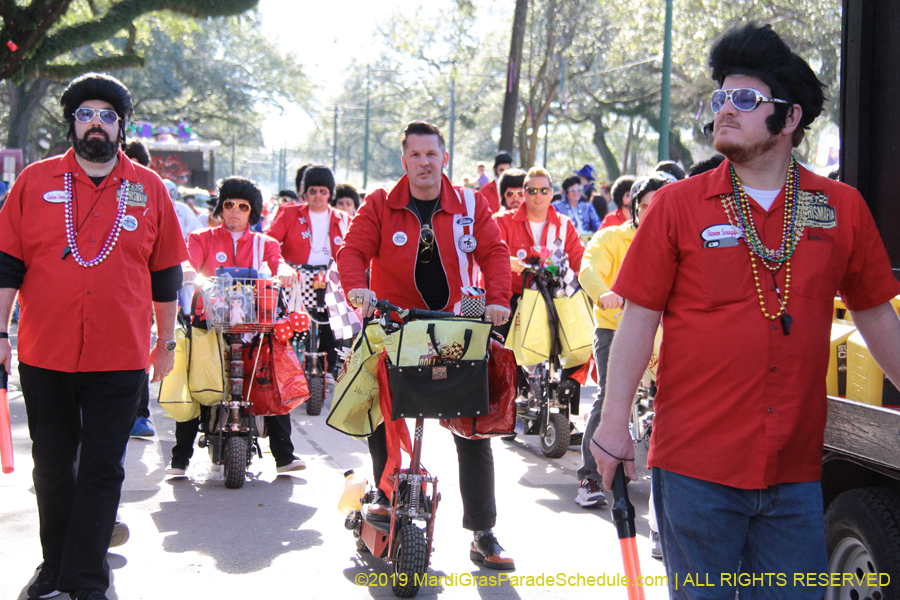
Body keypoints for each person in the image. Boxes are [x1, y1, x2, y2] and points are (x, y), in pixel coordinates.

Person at [592, 24, 900, 600]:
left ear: (789, 120)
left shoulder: (841, 209)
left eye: (745, 99)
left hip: (796, 472)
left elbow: (877, 314)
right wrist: (612, 426)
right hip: (695, 469)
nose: (723, 111)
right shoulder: (678, 207)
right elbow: (638, 318)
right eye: (720, 98)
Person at [0, 72, 188, 600]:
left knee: (103, 468)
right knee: (53, 466)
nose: (96, 124)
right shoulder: (33, 182)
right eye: (86, 114)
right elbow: (7, 264)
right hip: (45, 349)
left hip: (121, 352)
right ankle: (53, 567)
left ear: (121, 126)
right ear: (73, 124)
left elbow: (166, 273)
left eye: (107, 115)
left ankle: (85, 577)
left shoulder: (148, 188)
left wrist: (166, 342)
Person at [337, 120, 514, 570]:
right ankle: (384, 489)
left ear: (444, 159)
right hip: (394, 325)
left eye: (431, 154)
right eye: (414, 155)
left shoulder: (472, 204)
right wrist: (358, 289)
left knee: (474, 426)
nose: (423, 163)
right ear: (404, 161)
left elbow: (494, 253)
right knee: (380, 404)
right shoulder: (379, 203)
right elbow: (352, 252)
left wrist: (496, 300)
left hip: (457, 326)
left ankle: (483, 532)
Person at [167, 177, 304, 477]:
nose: (235, 211)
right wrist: (188, 271)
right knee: (197, 381)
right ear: (221, 207)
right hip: (209, 322)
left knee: (271, 376)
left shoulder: (265, 243)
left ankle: (284, 455)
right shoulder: (201, 238)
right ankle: (180, 458)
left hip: (255, 324)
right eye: (229, 204)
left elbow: (276, 263)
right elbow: (189, 263)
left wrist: (284, 271)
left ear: (251, 213)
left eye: (243, 207)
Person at [575, 174, 671, 515]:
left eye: (659, 205)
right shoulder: (613, 237)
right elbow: (588, 269)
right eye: (645, 205)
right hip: (616, 327)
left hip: (666, 332)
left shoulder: (677, 239)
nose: (651, 212)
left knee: (676, 396)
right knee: (610, 395)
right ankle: (588, 477)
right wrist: (605, 294)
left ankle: (675, 482)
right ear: (634, 207)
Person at [493, 167, 585, 418]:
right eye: (532, 190)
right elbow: (494, 252)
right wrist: (511, 262)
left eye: (544, 190)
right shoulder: (503, 222)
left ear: (552, 193)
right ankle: (504, 404)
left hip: (555, 295)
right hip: (517, 295)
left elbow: (579, 258)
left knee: (581, 342)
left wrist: (590, 275)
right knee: (498, 345)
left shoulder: (564, 225)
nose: (538, 195)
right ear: (524, 193)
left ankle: (566, 409)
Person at [266, 165, 350, 385]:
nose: (318, 197)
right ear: (305, 192)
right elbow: (271, 241)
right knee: (290, 323)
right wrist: (282, 267)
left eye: (323, 191)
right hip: (296, 278)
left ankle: (328, 368)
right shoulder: (290, 213)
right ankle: (288, 367)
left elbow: (352, 249)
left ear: (330, 193)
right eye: (313, 191)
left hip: (329, 278)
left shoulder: (342, 219)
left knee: (333, 323)